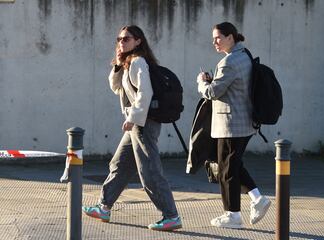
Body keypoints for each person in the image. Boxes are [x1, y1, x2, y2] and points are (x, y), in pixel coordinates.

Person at [82, 25, 182, 231]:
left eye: (126, 39)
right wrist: (118, 65)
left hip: (143, 123)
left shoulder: (138, 62)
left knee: (150, 171)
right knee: (119, 164)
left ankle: (171, 216)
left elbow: (145, 94)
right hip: (137, 123)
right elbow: (116, 87)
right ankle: (104, 206)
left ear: (138, 41)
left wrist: (133, 118)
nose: (121, 42)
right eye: (119, 39)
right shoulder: (128, 63)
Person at [196, 22, 271, 229]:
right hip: (244, 122)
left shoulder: (228, 62)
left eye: (218, 38)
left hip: (230, 125)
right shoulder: (244, 54)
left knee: (226, 170)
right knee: (234, 165)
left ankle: (233, 215)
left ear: (231, 37)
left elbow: (213, 93)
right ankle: (257, 199)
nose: (214, 42)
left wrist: (202, 82)